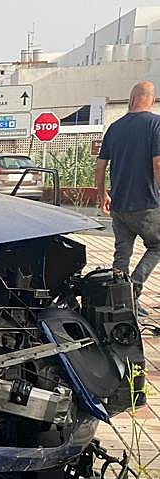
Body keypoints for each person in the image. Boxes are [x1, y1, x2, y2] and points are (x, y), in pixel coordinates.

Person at [96, 80, 160, 315]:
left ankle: (118, 301)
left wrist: (103, 194)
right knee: (157, 245)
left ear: (132, 99)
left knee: (122, 253)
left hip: (119, 204)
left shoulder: (114, 127)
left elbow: (100, 166)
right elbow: (158, 164)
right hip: (146, 203)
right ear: (151, 100)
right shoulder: (156, 124)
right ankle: (134, 290)